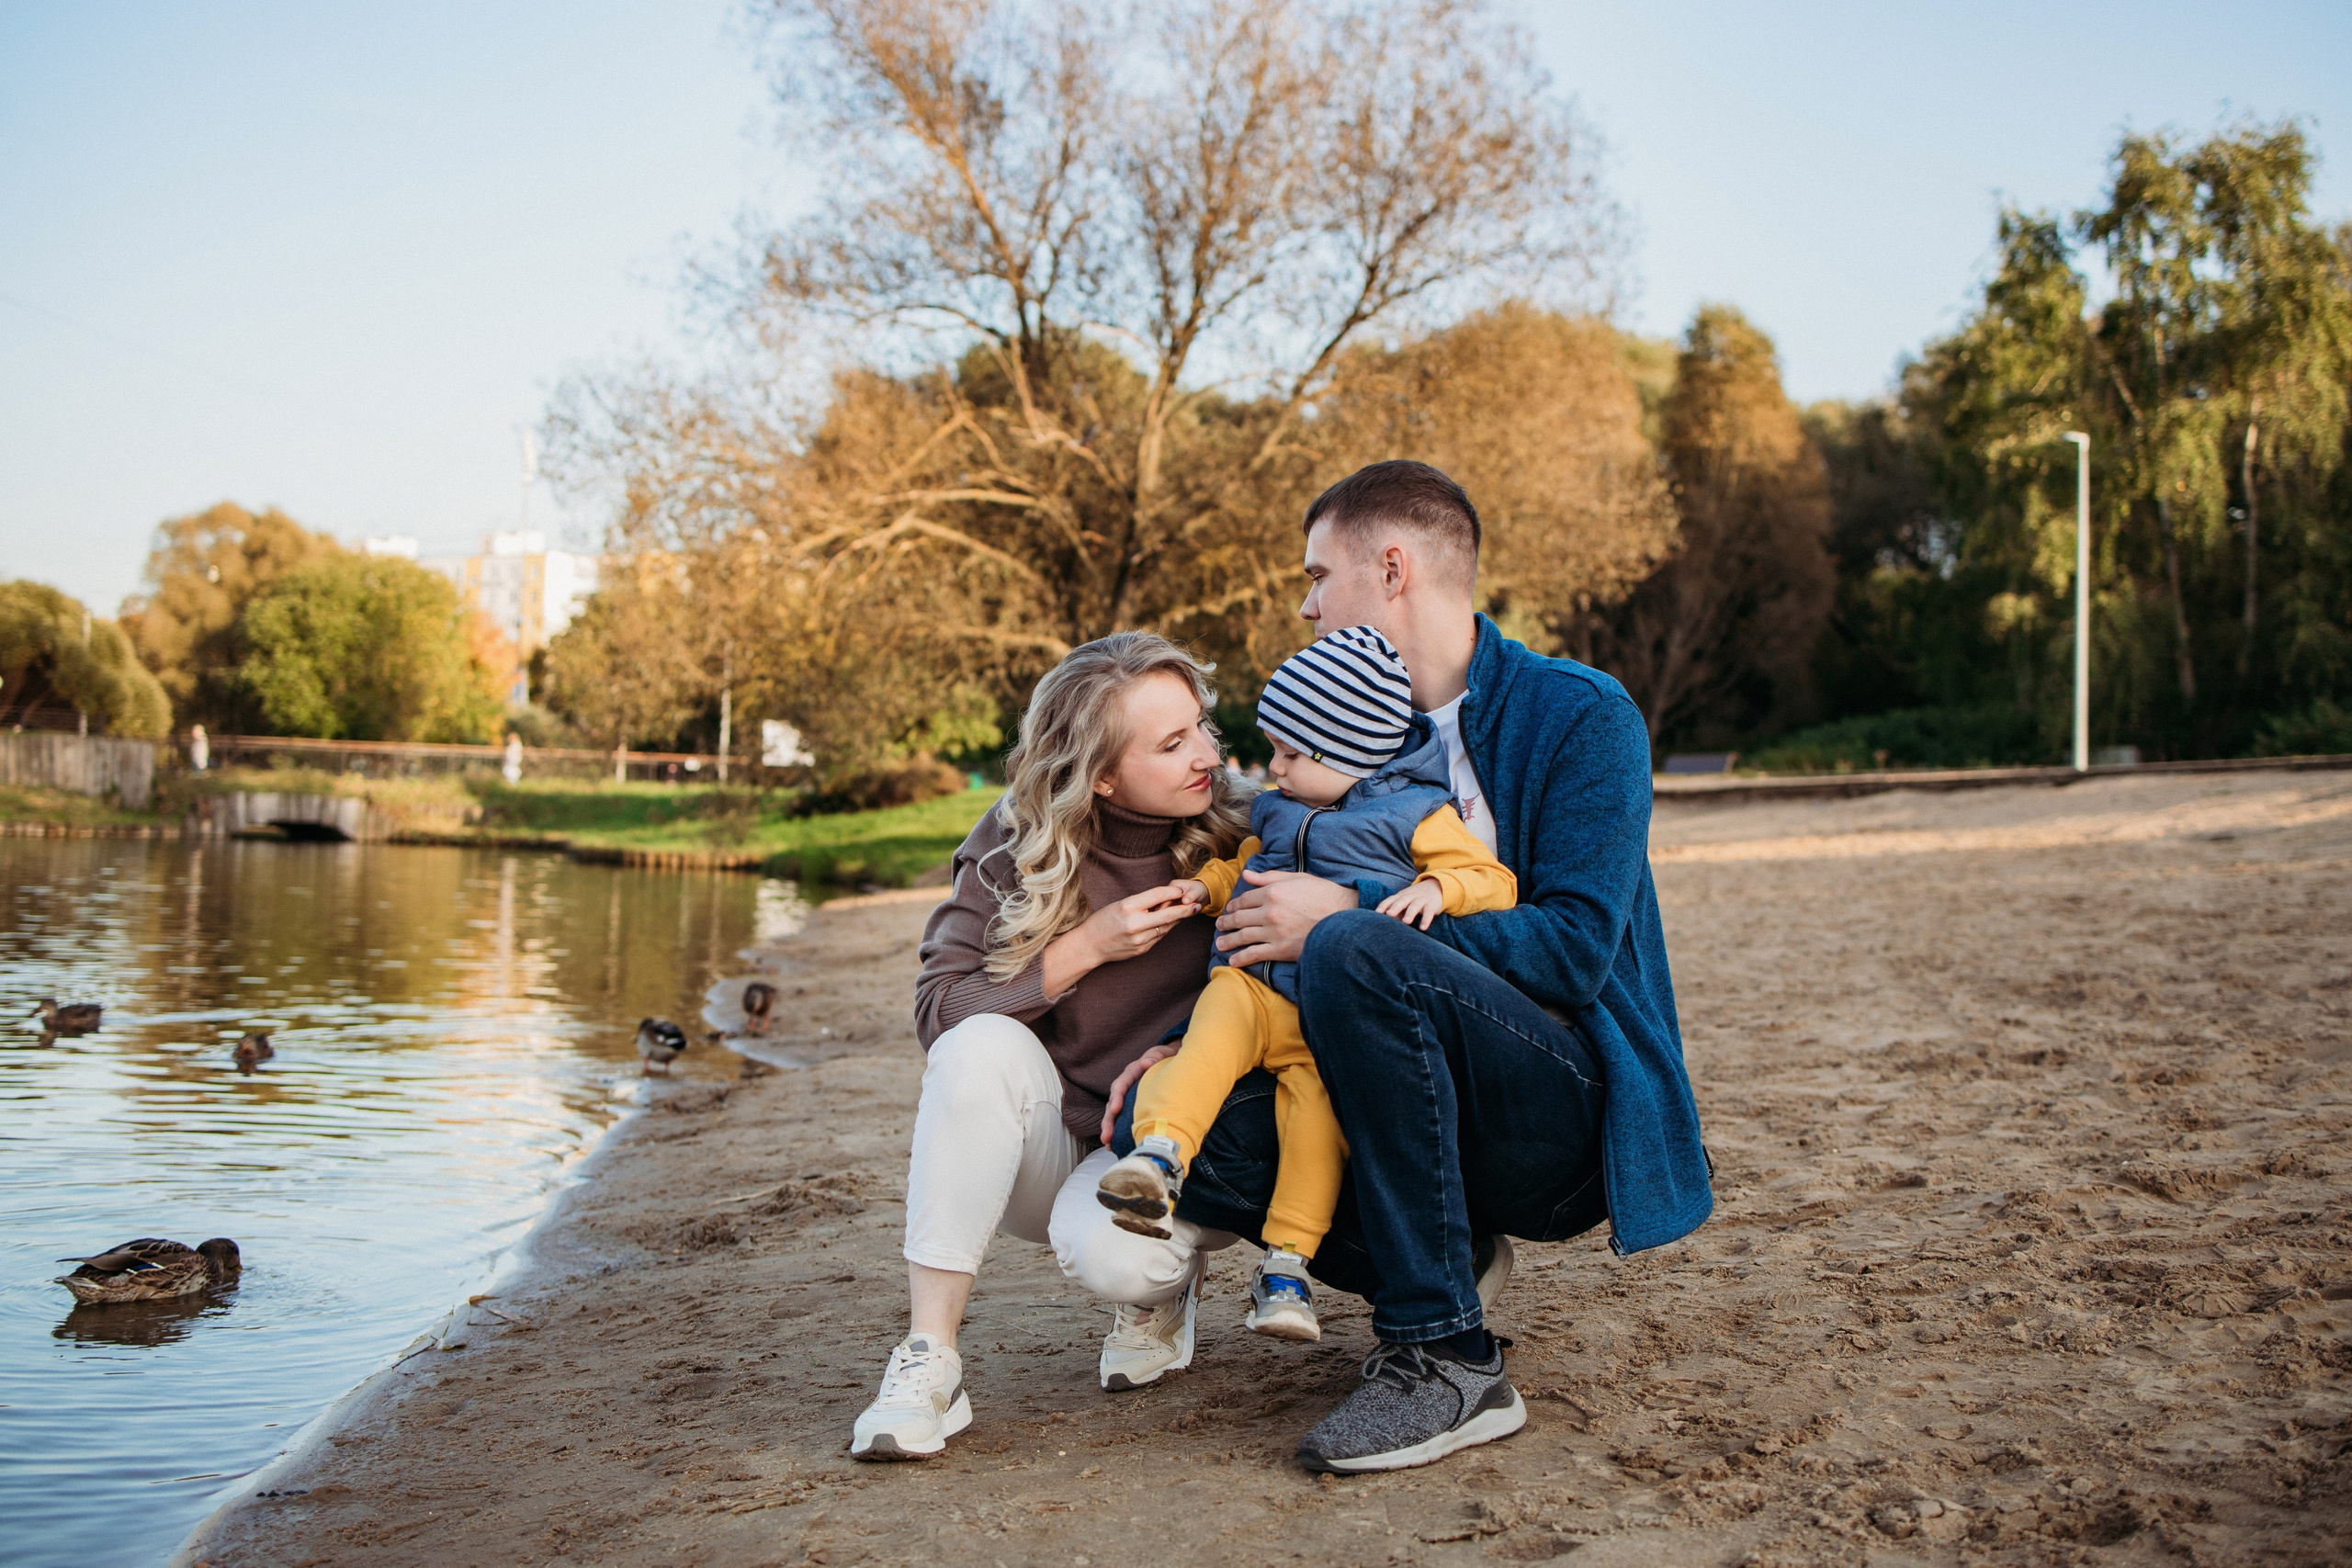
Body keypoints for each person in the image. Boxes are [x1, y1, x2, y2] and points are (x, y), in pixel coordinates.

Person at [1057, 460, 1713, 1474]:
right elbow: (1252, 908)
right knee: (1180, 1127)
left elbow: (1577, 950)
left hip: (1554, 1111)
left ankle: (1445, 1359)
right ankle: (1446, 1263)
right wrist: (1186, 1049)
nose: (1305, 603)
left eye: (1319, 575)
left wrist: (1349, 915)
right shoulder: (1318, 743)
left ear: (1393, 569)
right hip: (1368, 1090)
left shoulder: (1578, 714)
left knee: (1354, 943)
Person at [849, 632, 1253, 1461]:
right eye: (1172, 744)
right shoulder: (1014, 841)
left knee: (1116, 1260)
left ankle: (1161, 1295)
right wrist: (1083, 948)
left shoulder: (1247, 828)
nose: (1207, 754)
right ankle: (931, 1358)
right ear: (1101, 773)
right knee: (975, 1046)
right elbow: (938, 1010)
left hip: (1179, 1137)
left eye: (1202, 726)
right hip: (1052, 1135)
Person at [1094, 625, 1516, 1346]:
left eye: (1289, 752)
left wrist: (1439, 888)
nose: (1271, 765)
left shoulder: (1415, 815)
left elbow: (1493, 881)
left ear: (1346, 752)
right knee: (1201, 1045)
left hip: (1323, 1016)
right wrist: (1204, 890)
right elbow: (1249, 869)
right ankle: (1159, 1157)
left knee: (1316, 1121)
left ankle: (1287, 1266)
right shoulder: (1280, 807)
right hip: (1253, 990)